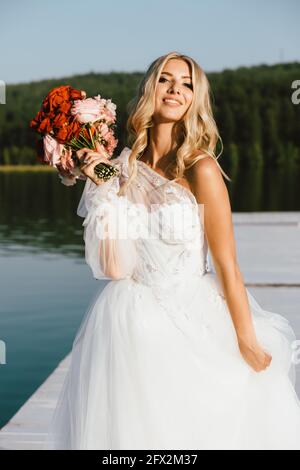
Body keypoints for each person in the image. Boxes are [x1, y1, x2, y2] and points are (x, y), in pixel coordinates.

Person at [44, 51, 300, 450]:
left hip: (191, 313)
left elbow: (227, 263)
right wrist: (96, 180)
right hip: (128, 317)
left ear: (195, 98)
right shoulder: (124, 165)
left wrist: (246, 338)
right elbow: (113, 266)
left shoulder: (201, 168)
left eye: (187, 83)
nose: (175, 89)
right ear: (151, 88)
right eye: (166, 79)